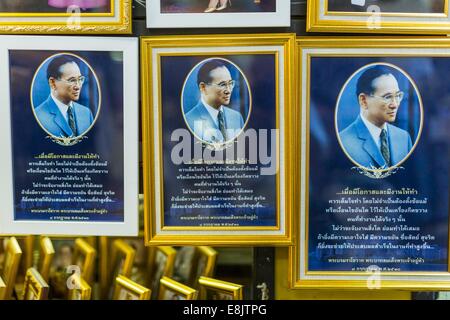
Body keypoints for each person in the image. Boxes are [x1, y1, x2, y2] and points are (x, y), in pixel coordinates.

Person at [339, 65, 413, 169]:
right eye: (387, 97)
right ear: (363, 100)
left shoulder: (404, 138)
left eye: (398, 96)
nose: (395, 104)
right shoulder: (344, 142)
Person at [184, 59, 244, 144]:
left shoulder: (237, 118)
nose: (228, 90)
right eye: (222, 84)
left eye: (230, 83)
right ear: (203, 88)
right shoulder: (189, 120)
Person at [35, 55, 94, 138]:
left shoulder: (86, 113)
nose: (78, 86)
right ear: (52, 83)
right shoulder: (38, 116)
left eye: (80, 79)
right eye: (72, 80)